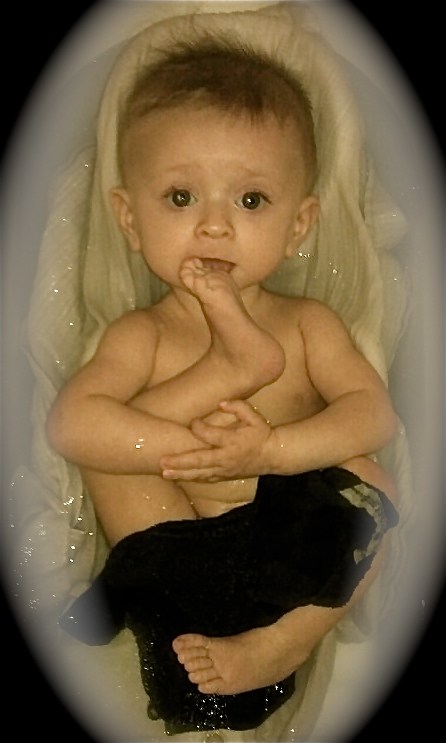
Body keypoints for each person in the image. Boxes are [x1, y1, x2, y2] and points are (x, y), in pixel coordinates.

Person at [45, 33, 400, 736]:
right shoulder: (142, 336)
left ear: (299, 225)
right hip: (179, 552)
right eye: (180, 196)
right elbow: (71, 428)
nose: (214, 225)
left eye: (251, 199)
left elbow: (372, 415)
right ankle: (230, 369)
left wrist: (271, 452)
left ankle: (288, 640)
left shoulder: (306, 326)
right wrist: (199, 426)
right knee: (102, 445)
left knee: (376, 483)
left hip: (292, 563)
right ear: (130, 219)